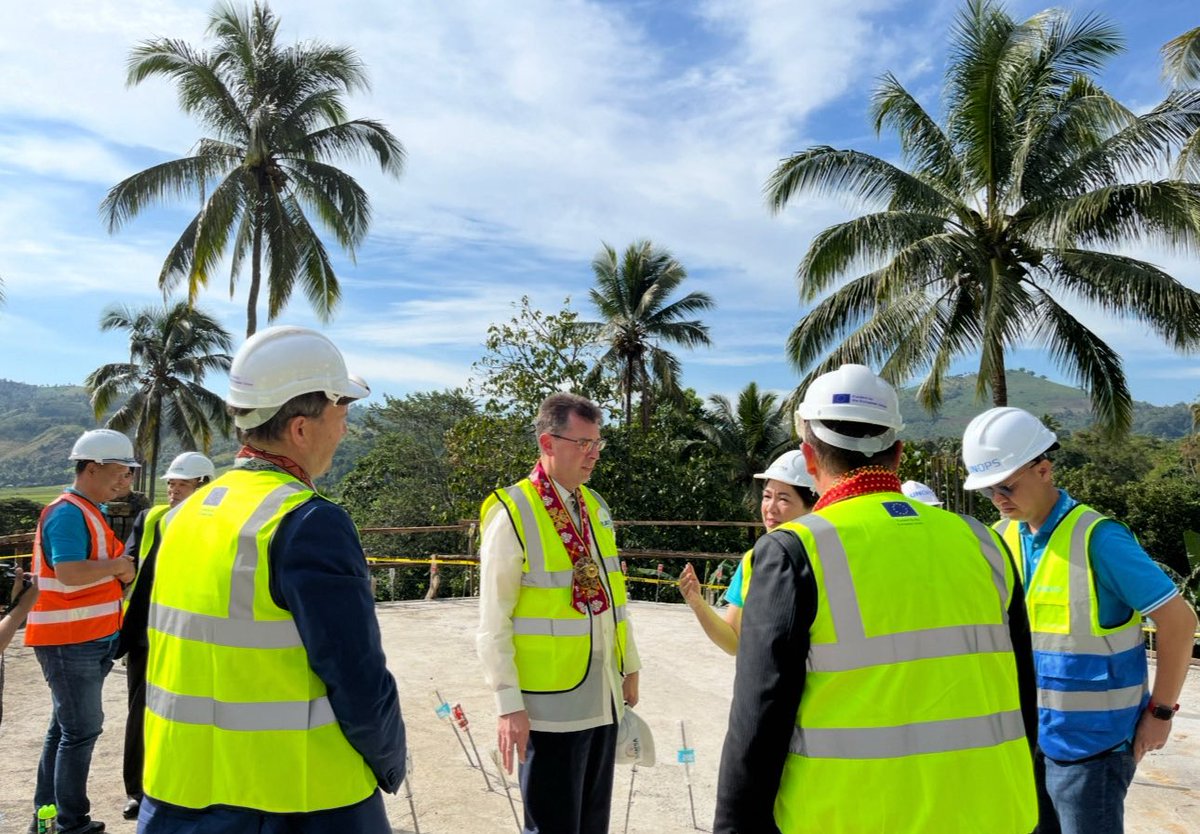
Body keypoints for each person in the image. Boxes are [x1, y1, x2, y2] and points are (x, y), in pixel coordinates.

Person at [715, 364, 1038, 834]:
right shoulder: (985, 542)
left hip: (851, 817)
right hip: (992, 812)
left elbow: (759, 718)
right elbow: (1022, 688)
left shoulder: (796, 550)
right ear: (898, 451)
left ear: (809, 457)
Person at [138, 326, 406, 833]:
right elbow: (357, 679)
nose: (345, 430)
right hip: (299, 800)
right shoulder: (308, 522)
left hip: (178, 792)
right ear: (301, 429)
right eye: (341, 415)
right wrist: (390, 760)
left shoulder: (183, 517)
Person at [961, 407, 1199, 834]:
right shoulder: (1002, 538)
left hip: (1094, 747)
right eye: (988, 491)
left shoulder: (1098, 538)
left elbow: (1179, 621)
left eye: (1006, 485)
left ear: (1044, 469)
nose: (998, 498)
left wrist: (1160, 712)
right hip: (1030, 738)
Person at [477, 392, 641, 834]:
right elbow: (493, 621)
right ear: (548, 443)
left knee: (592, 825)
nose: (593, 455)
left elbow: (614, 599)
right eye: (582, 443)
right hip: (549, 707)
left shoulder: (596, 508)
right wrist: (508, 705)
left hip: (602, 697)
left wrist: (629, 665)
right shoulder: (513, 512)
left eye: (597, 443)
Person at [26, 428, 140, 834]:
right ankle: (70, 823)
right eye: (122, 471)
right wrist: (119, 568)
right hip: (69, 641)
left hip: (87, 637)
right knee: (81, 730)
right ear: (93, 467)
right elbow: (71, 572)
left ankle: (48, 814)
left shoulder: (90, 510)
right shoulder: (68, 511)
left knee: (65, 728)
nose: (126, 479)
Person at [116, 452, 215, 821]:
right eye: (171, 483)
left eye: (181, 484)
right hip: (148, 634)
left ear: (203, 486)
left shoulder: (218, 524)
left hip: (196, 635)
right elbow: (129, 565)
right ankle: (138, 792)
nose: (172, 490)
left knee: (195, 714)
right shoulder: (152, 519)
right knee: (141, 712)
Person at [678, 449, 818, 654]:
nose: (770, 508)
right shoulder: (753, 560)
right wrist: (697, 602)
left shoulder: (828, 555)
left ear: (813, 505)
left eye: (784, 499)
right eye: (767, 496)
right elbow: (734, 641)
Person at [103, 469, 150, 544]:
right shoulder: (100, 499)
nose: (121, 480)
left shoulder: (141, 501)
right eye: (116, 475)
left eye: (126, 475)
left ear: (132, 477)